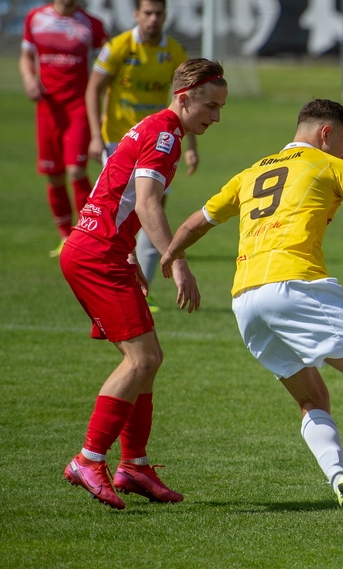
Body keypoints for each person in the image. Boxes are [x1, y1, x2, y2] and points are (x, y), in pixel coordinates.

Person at [160, 99, 343, 534]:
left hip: (245, 301)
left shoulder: (252, 171)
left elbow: (196, 222)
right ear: (325, 134)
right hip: (296, 285)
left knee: (312, 398)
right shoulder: (330, 165)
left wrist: (171, 255)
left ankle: (340, 481)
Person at [60, 59, 227, 510]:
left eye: (220, 108)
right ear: (184, 96)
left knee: (147, 361)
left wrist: (130, 250)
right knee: (144, 358)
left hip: (102, 249)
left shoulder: (153, 128)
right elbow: (150, 203)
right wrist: (176, 261)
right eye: (210, 106)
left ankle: (133, 465)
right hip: (97, 254)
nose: (215, 117)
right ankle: (88, 458)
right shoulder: (166, 133)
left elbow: (119, 194)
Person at [86, 0, 194, 311]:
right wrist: (95, 134)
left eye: (159, 13)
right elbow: (94, 89)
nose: (153, 19)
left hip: (159, 144)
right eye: (147, 13)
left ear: (165, 15)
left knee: (152, 211)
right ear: (136, 15)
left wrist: (191, 149)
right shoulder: (118, 47)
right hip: (120, 143)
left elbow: (188, 105)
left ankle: (142, 288)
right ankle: (114, 281)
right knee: (126, 211)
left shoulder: (174, 52)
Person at [19, 0, 107, 257]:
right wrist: (29, 79)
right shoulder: (36, 18)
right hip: (48, 109)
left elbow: (107, 70)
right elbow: (26, 56)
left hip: (79, 107)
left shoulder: (93, 25)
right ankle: (65, 238)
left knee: (76, 170)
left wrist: (101, 112)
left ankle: (86, 233)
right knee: (54, 174)